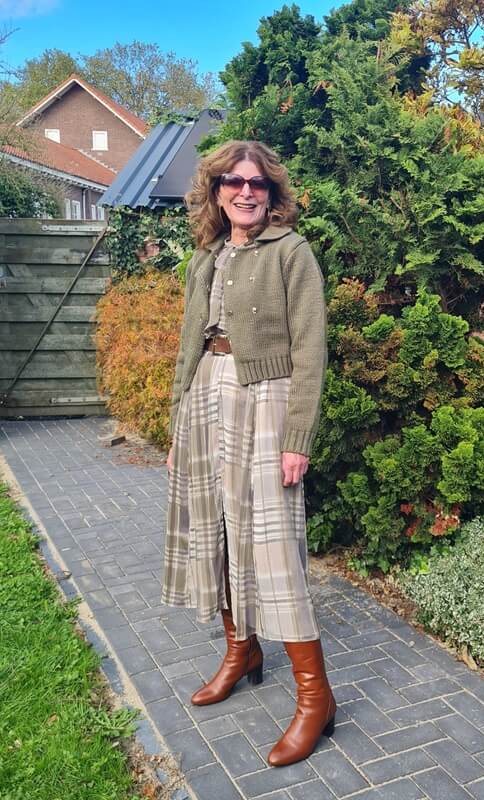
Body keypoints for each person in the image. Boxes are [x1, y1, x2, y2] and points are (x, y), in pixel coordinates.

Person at [161, 140, 334, 767]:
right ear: (214, 192)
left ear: (272, 193)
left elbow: (311, 351)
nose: (244, 192)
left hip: (268, 397)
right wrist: (180, 418)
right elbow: (189, 342)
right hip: (208, 391)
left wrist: (297, 439)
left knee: (273, 543)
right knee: (218, 531)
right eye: (231, 183)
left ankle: (315, 697)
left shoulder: (291, 253)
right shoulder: (206, 256)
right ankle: (242, 652)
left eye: (256, 184)